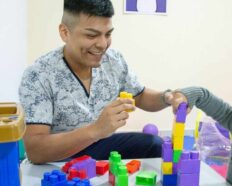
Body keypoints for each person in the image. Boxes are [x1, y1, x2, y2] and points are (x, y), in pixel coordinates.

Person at [19, 0, 173, 164]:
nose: (102, 44)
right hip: (60, 156)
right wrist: (97, 130)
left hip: (99, 144)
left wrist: (167, 97)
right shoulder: (38, 74)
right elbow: (35, 151)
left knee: (155, 145)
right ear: (65, 32)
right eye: (91, 35)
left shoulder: (113, 61)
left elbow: (140, 96)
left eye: (108, 34)